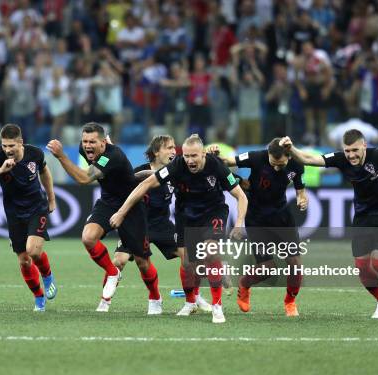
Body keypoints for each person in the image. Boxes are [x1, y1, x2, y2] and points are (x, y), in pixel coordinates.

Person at [280, 121, 378, 318]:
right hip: (362, 218)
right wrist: (291, 148)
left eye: (355, 150)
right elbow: (308, 159)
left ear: (364, 145)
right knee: (362, 269)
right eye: (347, 151)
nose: (351, 155)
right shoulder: (341, 159)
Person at [109, 134, 248, 323]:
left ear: (203, 155)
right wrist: (121, 212)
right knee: (188, 264)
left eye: (194, 156)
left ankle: (217, 306)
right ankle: (191, 302)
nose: (190, 160)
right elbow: (147, 183)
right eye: (187, 156)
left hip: (213, 213)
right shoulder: (177, 165)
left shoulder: (216, 166)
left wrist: (239, 223)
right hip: (186, 216)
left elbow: (241, 196)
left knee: (210, 251)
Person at [46, 122, 161, 314]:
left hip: (131, 205)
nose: (87, 146)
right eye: (84, 141)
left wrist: (61, 156)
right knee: (88, 237)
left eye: (92, 142)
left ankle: (155, 297)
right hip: (108, 203)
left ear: (103, 143)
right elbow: (87, 166)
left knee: (142, 261)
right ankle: (112, 273)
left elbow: (84, 179)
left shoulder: (112, 156)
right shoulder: (92, 150)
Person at [112, 135, 212, 313]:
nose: (174, 151)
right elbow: (125, 183)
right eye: (169, 148)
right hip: (138, 223)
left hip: (161, 224)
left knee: (191, 259)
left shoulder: (177, 170)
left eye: (175, 148)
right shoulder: (140, 171)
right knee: (118, 261)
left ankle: (195, 296)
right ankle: (105, 302)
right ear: (156, 152)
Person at [210, 138, 308, 317]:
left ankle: (290, 302)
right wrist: (214, 154)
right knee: (268, 268)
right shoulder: (256, 157)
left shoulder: (297, 164)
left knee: (295, 264)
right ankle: (244, 284)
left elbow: (300, 191)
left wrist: (302, 199)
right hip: (257, 219)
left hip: (282, 219)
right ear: (268, 155)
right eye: (273, 163)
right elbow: (227, 162)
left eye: (281, 164)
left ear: (289, 156)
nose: (277, 167)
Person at [0, 124, 57, 311]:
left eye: (11, 146)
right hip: (14, 213)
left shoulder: (35, 154)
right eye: (4, 145)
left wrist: (51, 198)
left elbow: (44, 172)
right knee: (23, 259)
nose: (7, 150)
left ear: (20, 142)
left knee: (34, 251)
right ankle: (38, 297)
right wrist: (1, 170)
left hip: (36, 208)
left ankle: (47, 276)